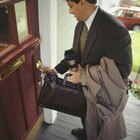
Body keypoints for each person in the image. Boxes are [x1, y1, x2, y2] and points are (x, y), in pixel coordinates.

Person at [43, 0, 132, 140]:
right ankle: (86, 132)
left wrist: (85, 75)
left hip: (102, 94)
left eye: (71, 6)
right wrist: (55, 70)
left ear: (82, 3)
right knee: (85, 115)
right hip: (84, 90)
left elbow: (123, 71)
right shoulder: (80, 25)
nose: (70, 11)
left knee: (100, 127)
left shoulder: (116, 30)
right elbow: (75, 53)